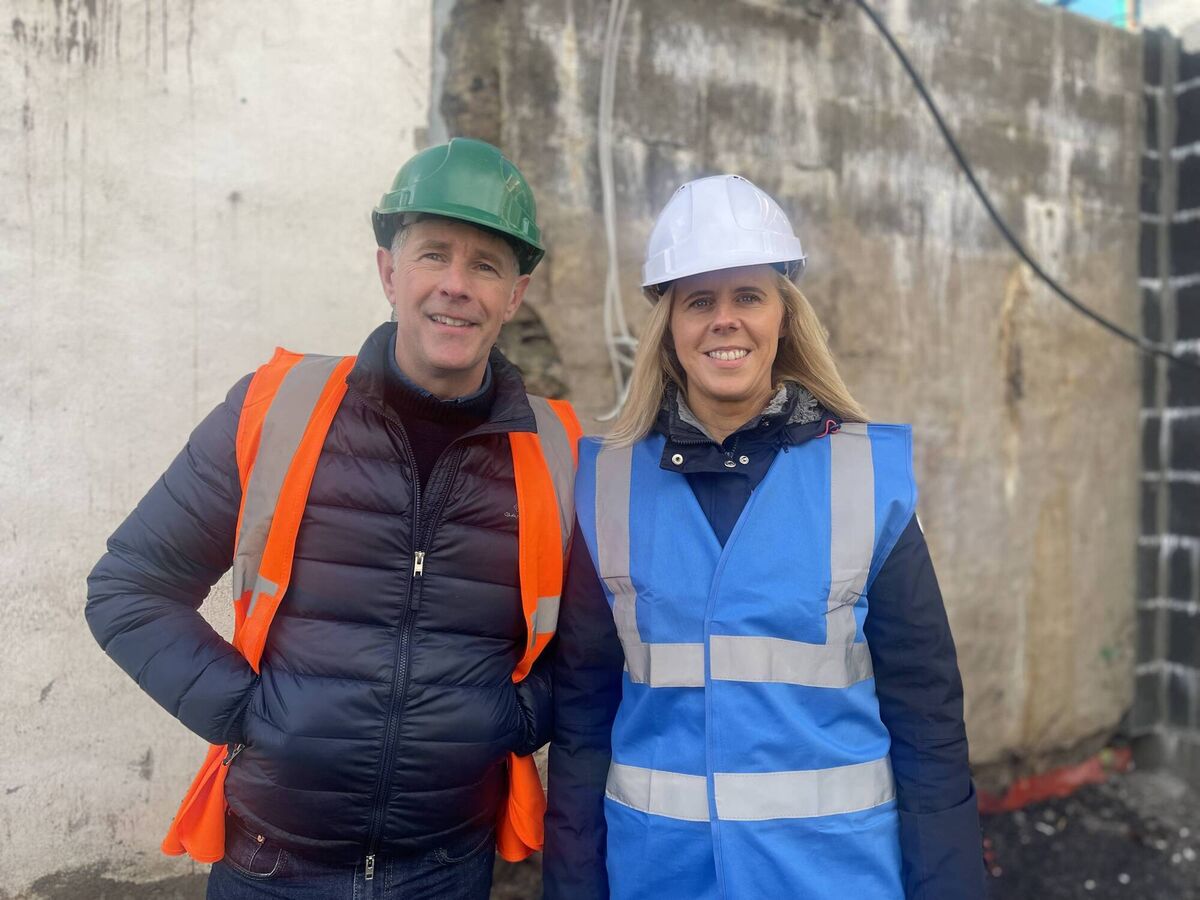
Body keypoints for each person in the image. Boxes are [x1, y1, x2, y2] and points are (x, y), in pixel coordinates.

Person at [86, 137, 581, 899]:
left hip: (448, 870)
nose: (456, 285)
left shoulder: (560, 452)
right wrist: (251, 714)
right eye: (432, 255)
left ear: (515, 295)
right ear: (388, 270)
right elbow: (130, 587)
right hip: (270, 866)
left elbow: (597, 638)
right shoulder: (274, 410)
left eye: (486, 265)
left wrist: (510, 721)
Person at [543, 174, 985, 899]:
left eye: (748, 295)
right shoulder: (609, 487)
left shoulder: (865, 479)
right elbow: (583, 724)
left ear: (783, 314)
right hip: (659, 878)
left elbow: (927, 718)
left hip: (834, 878)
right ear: (669, 325)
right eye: (699, 301)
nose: (725, 321)